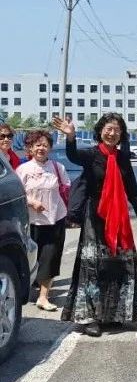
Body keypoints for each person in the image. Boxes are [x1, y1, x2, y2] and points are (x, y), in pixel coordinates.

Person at [52, 113, 137, 337]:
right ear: (100, 131)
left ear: (121, 134)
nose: (112, 133)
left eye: (117, 130)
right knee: (93, 267)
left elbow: (131, 186)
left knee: (119, 264)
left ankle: (115, 314)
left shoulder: (123, 157)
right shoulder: (91, 154)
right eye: (108, 129)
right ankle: (90, 318)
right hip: (94, 219)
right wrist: (71, 137)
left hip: (119, 218)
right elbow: (73, 155)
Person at [15, 130, 69, 312]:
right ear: (30, 148)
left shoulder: (57, 167)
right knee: (30, 258)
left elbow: (66, 188)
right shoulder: (23, 169)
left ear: (50, 148)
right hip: (30, 222)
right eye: (37, 145)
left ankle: (43, 297)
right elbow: (17, 193)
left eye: (45, 145)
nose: (41, 148)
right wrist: (32, 202)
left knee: (50, 258)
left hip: (55, 219)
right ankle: (26, 288)